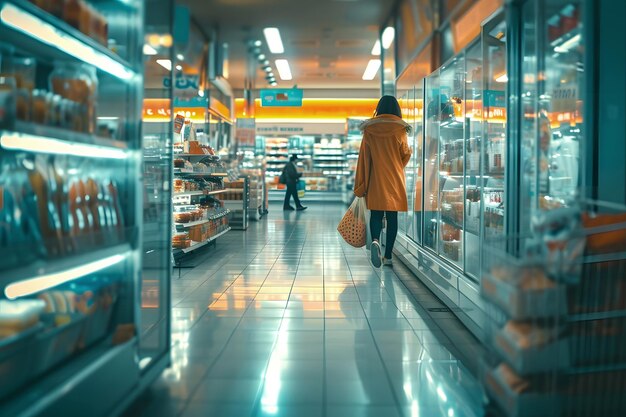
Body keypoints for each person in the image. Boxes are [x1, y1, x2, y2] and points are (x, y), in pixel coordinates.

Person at [354, 95, 412, 267]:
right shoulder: (401, 129)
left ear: (379, 108)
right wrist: (396, 165)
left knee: (376, 214)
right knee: (392, 217)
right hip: (394, 179)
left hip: (375, 179)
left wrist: (361, 183)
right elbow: (406, 154)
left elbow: (364, 157)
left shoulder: (369, 130)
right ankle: (388, 257)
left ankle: (375, 240)